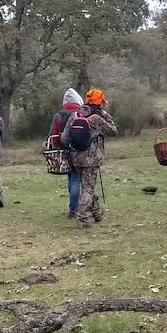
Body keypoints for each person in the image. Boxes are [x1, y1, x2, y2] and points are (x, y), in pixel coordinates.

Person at [68, 88, 118, 228]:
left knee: (87, 186)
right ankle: (82, 219)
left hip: (75, 158)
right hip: (91, 159)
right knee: (88, 189)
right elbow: (114, 131)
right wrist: (107, 117)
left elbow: (65, 137)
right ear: (100, 102)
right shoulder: (98, 118)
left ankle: (96, 213)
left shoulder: (75, 115)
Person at [47, 89, 84, 218]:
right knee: (76, 179)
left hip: (63, 152)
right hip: (79, 151)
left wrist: (56, 146)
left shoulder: (59, 115)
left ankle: (73, 208)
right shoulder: (81, 114)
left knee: (70, 178)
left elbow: (53, 135)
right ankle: (74, 209)